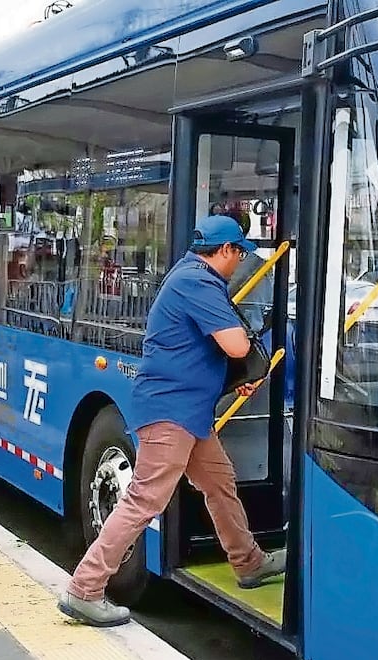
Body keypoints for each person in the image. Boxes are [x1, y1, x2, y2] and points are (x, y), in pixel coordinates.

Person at [57, 215, 286, 627]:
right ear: (226, 251)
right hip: (171, 413)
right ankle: (85, 588)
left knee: (219, 483)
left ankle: (248, 563)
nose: (240, 264)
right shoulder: (197, 282)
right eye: (240, 255)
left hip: (190, 413)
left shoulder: (189, 276)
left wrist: (234, 379)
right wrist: (248, 358)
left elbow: (202, 350)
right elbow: (234, 343)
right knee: (145, 499)